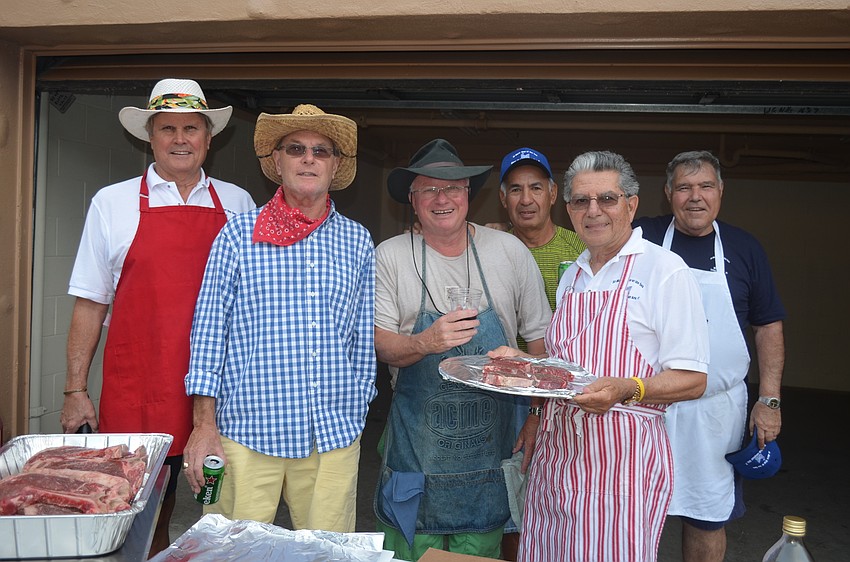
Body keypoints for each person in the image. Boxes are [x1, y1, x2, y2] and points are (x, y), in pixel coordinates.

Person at [59, 78, 255, 554]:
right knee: (140, 508)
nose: (180, 139)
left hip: (220, 387)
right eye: (168, 128)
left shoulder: (239, 203)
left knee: (222, 506)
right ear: (150, 137)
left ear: (210, 137)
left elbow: (258, 301)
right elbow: (90, 301)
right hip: (140, 384)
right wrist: (75, 390)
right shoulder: (112, 202)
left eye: (191, 128)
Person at [491, 150, 710, 562]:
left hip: (621, 466)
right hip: (558, 458)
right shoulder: (573, 275)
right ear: (568, 208)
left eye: (607, 199)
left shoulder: (664, 271)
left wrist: (628, 388)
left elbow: (693, 379)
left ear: (632, 204)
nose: (593, 211)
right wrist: (523, 364)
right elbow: (564, 369)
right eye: (581, 201)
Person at [182, 104, 376, 533]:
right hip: (247, 432)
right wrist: (204, 425)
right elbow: (209, 331)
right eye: (296, 148)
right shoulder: (237, 235)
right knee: (231, 552)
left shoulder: (357, 241)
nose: (309, 159)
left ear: (335, 165)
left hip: (332, 434)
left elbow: (361, 338)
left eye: (321, 151)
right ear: (277, 160)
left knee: (328, 554)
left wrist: (357, 402)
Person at [373, 138, 552, 561]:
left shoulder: (509, 252)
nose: (442, 199)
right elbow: (380, 344)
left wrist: (536, 415)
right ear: (412, 200)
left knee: (482, 551)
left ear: (468, 193)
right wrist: (425, 342)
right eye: (429, 189)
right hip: (416, 454)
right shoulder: (390, 256)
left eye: (452, 187)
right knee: (409, 552)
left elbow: (541, 345)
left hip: (490, 453)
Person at [634, 150, 786, 562]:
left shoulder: (745, 247)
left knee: (707, 517)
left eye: (705, 186)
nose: (695, 196)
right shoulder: (640, 237)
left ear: (721, 191)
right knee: (631, 509)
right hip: (647, 406)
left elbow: (768, 327)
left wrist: (769, 400)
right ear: (668, 193)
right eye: (684, 187)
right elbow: (589, 235)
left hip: (714, 413)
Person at [496, 147, 586, 560]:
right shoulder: (489, 247)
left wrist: (538, 409)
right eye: (515, 189)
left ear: (553, 194)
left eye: (536, 187)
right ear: (503, 198)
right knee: (509, 501)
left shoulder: (582, 248)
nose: (526, 199)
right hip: (504, 394)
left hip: (567, 395)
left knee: (563, 502)